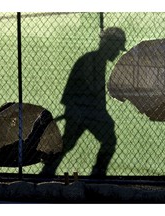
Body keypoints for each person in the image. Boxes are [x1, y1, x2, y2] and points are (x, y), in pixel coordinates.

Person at [41, 27, 126, 177]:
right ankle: (98, 173)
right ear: (108, 45)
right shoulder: (91, 61)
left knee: (68, 142)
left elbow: (93, 92)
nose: (117, 52)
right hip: (82, 110)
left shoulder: (96, 60)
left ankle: (48, 171)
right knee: (106, 139)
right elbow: (92, 89)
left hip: (83, 110)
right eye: (116, 48)